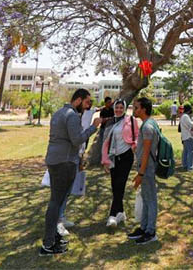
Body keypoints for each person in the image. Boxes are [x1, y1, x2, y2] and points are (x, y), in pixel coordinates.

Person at [39, 89, 100, 256]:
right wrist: (93, 127)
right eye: (87, 102)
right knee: (56, 202)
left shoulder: (59, 112)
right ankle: (48, 244)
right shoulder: (72, 115)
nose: (88, 107)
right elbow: (77, 139)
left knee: (57, 201)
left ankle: (54, 237)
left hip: (55, 160)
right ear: (78, 100)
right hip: (64, 163)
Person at [102, 99, 139, 228]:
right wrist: (105, 160)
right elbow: (105, 142)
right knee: (114, 185)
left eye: (120, 107)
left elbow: (137, 136)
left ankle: (112, 216)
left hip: (126, 156)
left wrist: (134, 145)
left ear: (124, 108)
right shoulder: (110, 122)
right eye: (116, 107)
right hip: (113, 157)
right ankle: (121, 212)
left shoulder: (131, 120)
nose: (118, 110)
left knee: (120, 185)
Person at [128, 97, 160, 245]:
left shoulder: (147, 127)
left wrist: (140, 173)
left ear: (144, 109)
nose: (134, 110)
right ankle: (144, 227)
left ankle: (151, 231)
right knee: (146, 198)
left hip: (147, 168)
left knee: (151, 199)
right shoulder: (148, 123)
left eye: (136, 107)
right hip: (145, 167)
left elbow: (147, 152)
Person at [180, 104, 193, 171]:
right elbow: (191, 124)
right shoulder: (186, 116)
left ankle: (185, 165)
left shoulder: (183, 116)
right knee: (190, 151)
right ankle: (190, 167)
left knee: (186, 151)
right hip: (188, 136)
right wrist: (192, 120)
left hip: (184, 136)